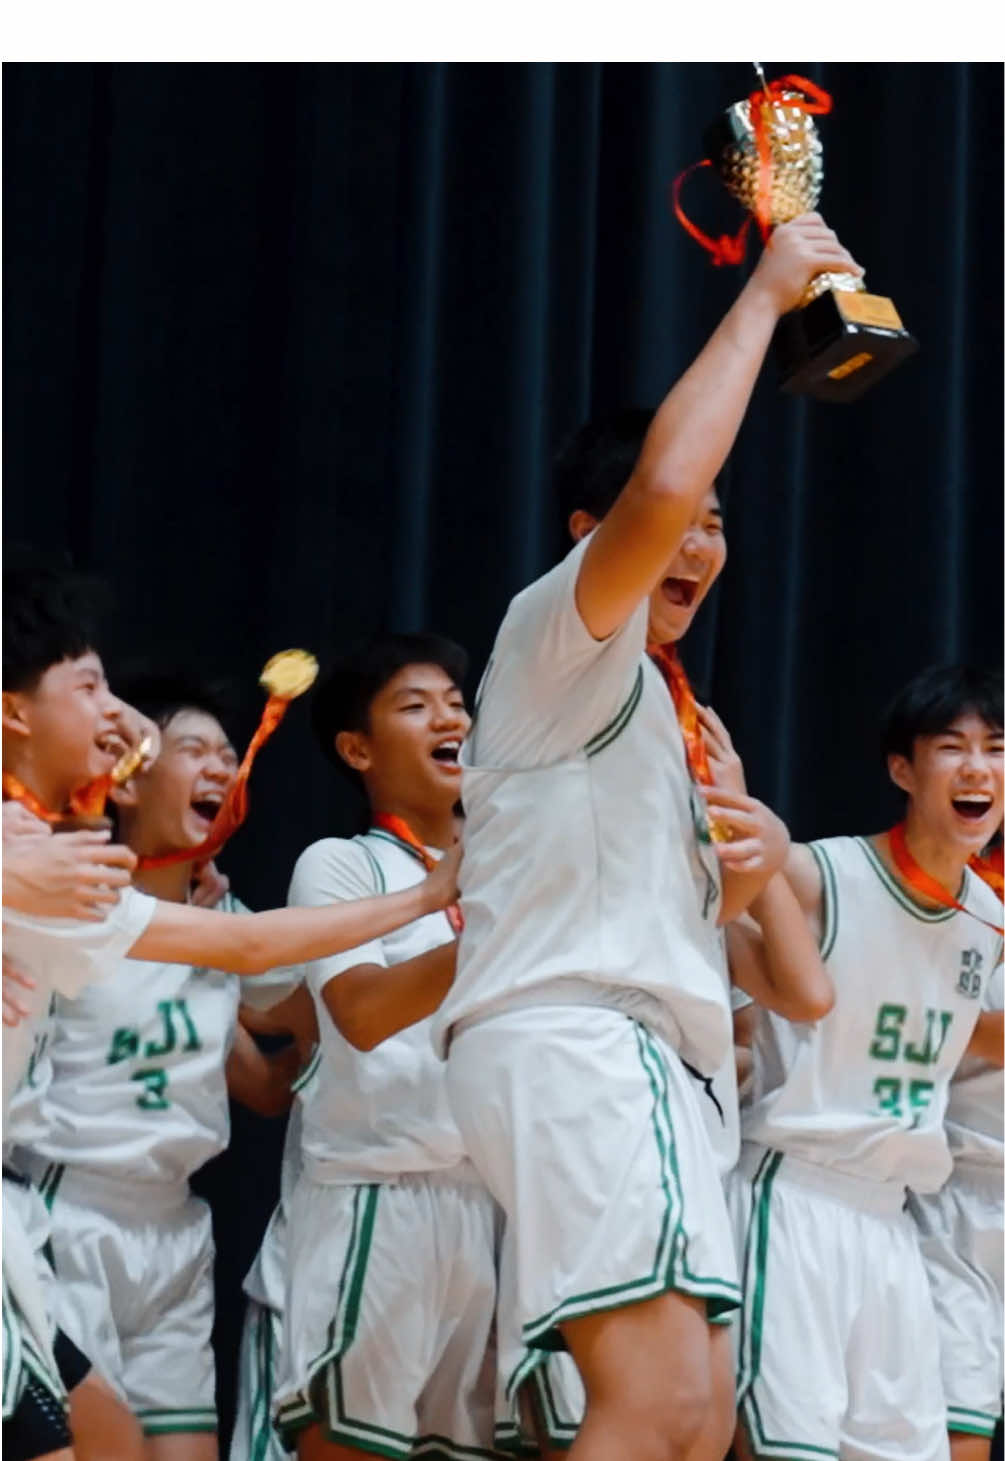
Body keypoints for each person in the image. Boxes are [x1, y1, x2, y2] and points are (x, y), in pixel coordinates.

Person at [427, 211, 861, 1461]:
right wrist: (768, 296)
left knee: (693, 1424)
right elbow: (666, 481)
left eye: (724, 524)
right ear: (591, 537)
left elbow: (799, 991)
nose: (702, 535)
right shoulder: (562, 636)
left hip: (662, 1069)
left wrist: (763, 856)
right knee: (660, 1414)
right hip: (579, 1040)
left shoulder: (683, 730)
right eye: (683, 516)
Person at [1, 551, 457, 1461]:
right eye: (88, 686)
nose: (109, 714)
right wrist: (425, 898)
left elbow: (260, 1002)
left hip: (166, 1223)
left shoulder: (85, 877)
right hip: (63, 1205)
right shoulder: (52, 856)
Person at [12, 672, 306, 1460]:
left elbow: (270, 1083)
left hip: (176, 1225)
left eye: (228, 753)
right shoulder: (71, 887)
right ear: (131, 781)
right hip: (67, 1211)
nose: (220, 765)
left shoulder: (226, 925)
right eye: (193, 749)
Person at [731, 664, 1004, 1461]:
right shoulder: (819, 873)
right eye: (950, 747)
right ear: (901, 769)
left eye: (994, 748)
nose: (977, 767)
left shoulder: (986, 920)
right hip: (794, 1192)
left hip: (888, 1222)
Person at [273, 633, 500, 1461]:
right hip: (380, 1195)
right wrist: (495, 927)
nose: (449, 716)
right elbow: (361, 1014)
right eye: (416, 704)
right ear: (356, 748)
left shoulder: (507, 867)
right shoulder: (340, 866)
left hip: (488, 1206)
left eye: (455, 702)